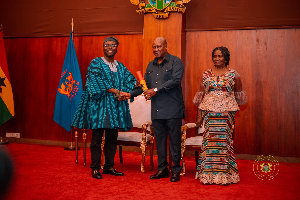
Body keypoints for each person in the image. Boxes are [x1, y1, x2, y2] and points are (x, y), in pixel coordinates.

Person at [71, 36, 137, 179]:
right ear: (103, 47)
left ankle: (109, 166)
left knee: (112, 138)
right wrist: (118, 92)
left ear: (116, 48)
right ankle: (95, 168)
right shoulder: (95, 63)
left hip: (115, 108)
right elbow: (96, 82)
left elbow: (131, 80)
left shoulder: (120, 67)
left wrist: (124, 93)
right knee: (96, 138)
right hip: (99, 108)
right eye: (107, 45)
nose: (109, 47)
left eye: (113, 45)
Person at [128, 37, 185, 182]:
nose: (156, 49)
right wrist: (129, 94)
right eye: (154, 47)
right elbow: (143, 85)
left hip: (173, 109)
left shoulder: (175, 61)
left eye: (159, 46)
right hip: (157, 110)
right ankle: (162, 169)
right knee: (159, 141)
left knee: (174, 141)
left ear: (166, 46)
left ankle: (176, 170)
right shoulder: (150, 65)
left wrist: (155, 89)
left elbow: (175, 80)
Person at [193, 46, 248, 185]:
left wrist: (228, 106)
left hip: (226, 114)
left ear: (226, 58)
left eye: (220, 56)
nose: (217, 59)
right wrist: (199, 115)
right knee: (209, 142)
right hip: (209, 113)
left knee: (225, 143)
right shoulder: (206, 74)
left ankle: (226, 176)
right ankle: (207, 175)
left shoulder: (233, 74)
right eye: (215, 56)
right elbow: (201, 96)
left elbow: (239, 95)